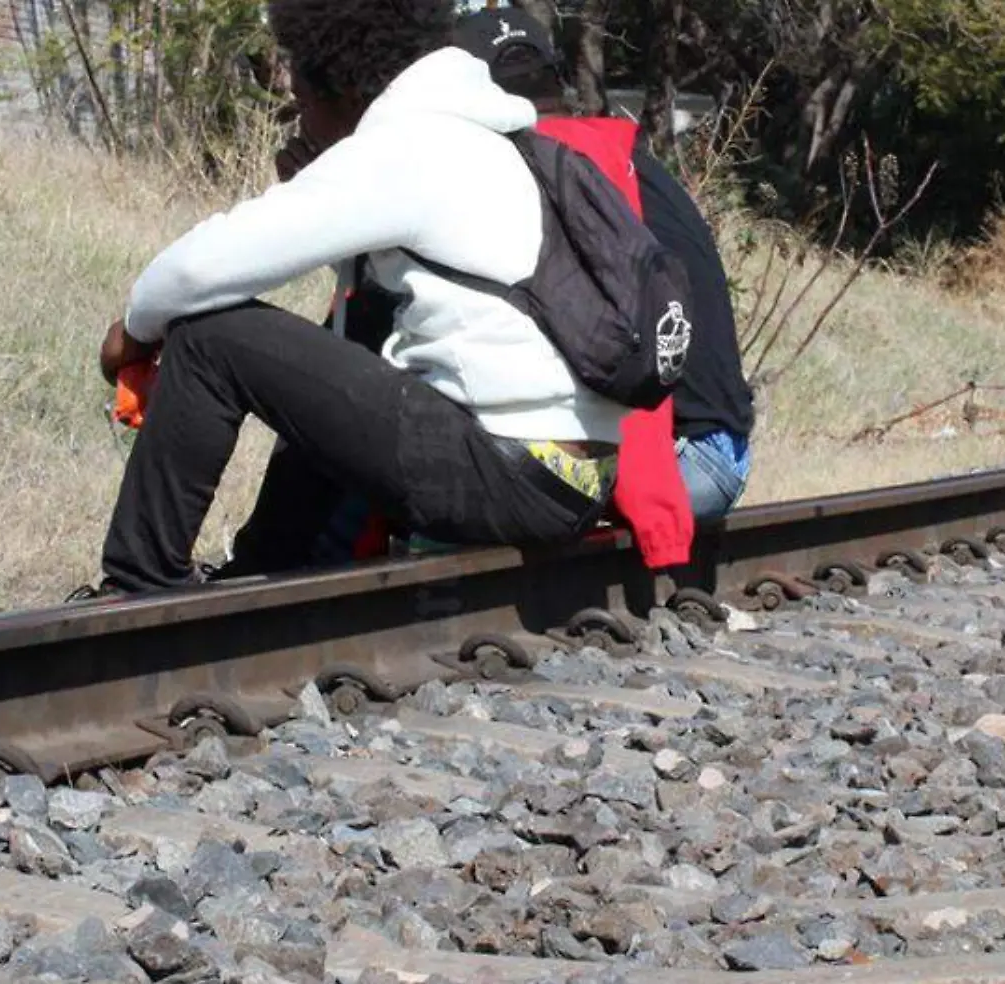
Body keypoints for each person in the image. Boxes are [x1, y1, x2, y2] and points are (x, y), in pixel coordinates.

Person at [73, 0, 628, 599]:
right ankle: (269, 564)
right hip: (569, 476)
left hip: (510, 477)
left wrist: (130, 334)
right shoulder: (489, 135)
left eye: (304, 105)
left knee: (211, 336)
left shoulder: (408, 146)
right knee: (340, 341)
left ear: (341, 86)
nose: (301, 126)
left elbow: (199, 267)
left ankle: (136, 586)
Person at [452, 8, 756, 522]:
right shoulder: (615, 154)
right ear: (560, 80)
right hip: (722, 450)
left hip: (683, 462)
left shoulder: (533, 169)